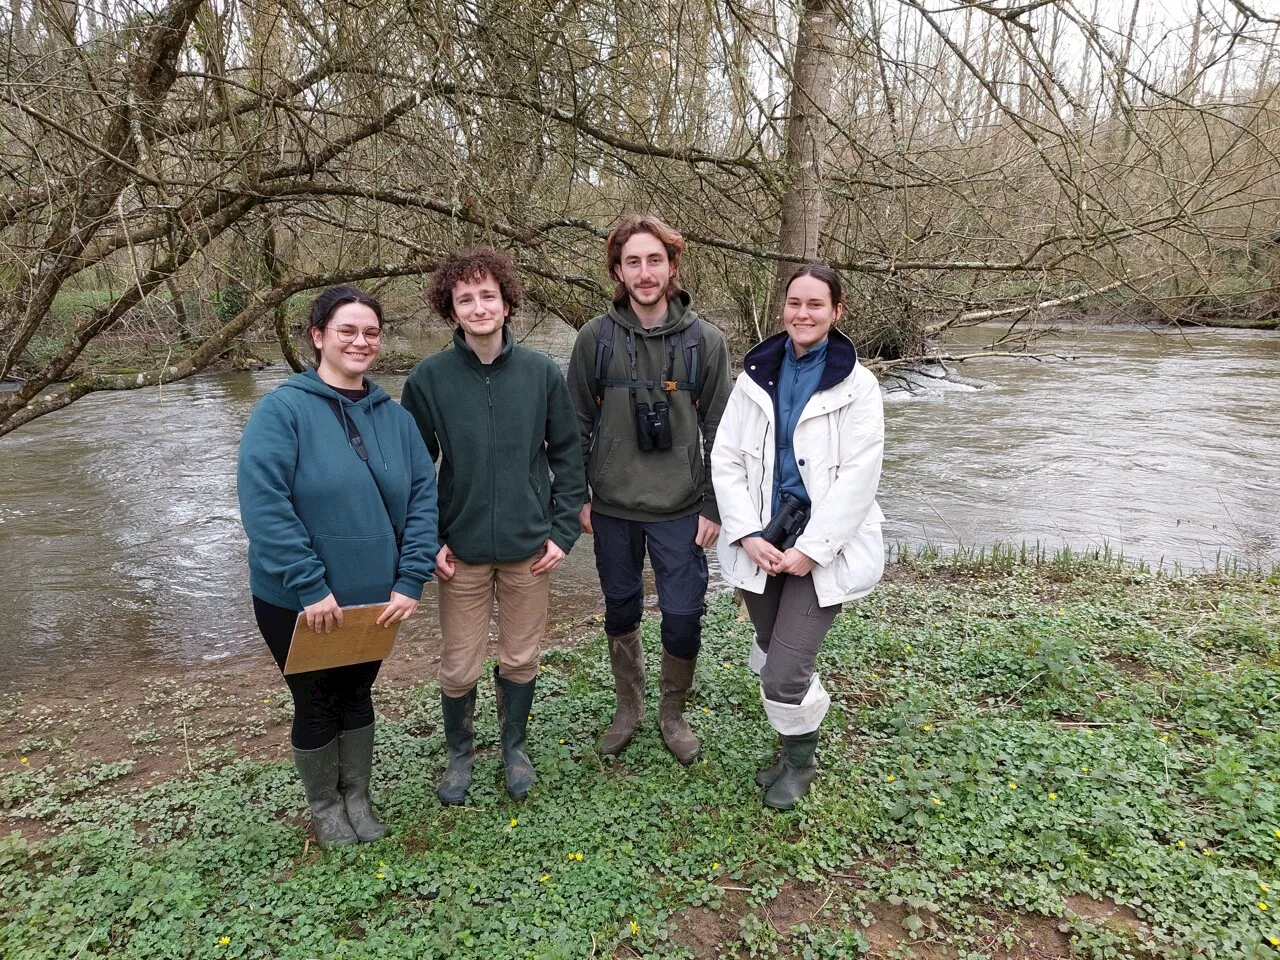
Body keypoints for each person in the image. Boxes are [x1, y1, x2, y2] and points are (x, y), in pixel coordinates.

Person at [237, 286, 439, 847]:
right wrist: (309, 585)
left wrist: (410, 578)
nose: (360, 341)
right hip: (297, 600)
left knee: (357, 693)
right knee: (315, 697)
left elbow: (425, 498)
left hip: (377, 601)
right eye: (347, 330)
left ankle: (358, 798)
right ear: (318, 336)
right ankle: (326, 807)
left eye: (370, 332)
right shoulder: (282, 411)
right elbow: (264, 502)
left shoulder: (394, 419)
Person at [402, 247, 585, 804]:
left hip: (531, 548)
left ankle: (514, 746)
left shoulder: (540, 373)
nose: (478, 307)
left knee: (521, 657)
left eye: (488, 296)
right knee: (459, 666)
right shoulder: (429, 379)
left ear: (507, 304)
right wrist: (427, 540)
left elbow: (568, 456)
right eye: (465, 299)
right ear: (451, 310)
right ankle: (460, 751)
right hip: (460, 551)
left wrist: (562, 532)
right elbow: (413, 469)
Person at [711, 263, 885, 810]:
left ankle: (802, 762)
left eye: (815, 305)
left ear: (837, 313)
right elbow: (727, 461)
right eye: (794, 303)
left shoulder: (858, 385)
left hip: (821, 549)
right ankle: (789, 749)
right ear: (782, 307)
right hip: (764, 538)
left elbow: (861, 474)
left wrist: (813, 551)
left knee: (785, 672)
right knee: (768, 650)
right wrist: (744, 535)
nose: (802, 314)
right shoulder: (754, 376)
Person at [567, 214, 732, 765]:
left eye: (654, 260)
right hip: (612, 508)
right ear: (618, 269)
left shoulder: (705, 342)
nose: (644, 272)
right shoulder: (594, 339)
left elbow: (723, 435)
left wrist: (712, 503)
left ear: (672, 266)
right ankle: (628, 708)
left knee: (684, 614)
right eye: (633, 261)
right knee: (621, 609)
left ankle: (672, 712)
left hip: (682, 508)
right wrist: (579, 498)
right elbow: (574, 427)